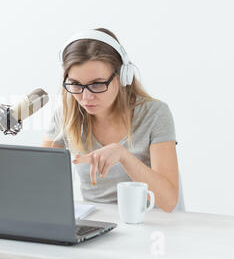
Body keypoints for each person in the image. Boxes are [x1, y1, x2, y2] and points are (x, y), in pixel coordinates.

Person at [42, 28, 180, 212]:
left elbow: (168, 201)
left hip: (148, 223)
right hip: (97, 224)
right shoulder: (65, 117)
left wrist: (123, 155)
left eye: (97, 84)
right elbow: (40, 181)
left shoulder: (154, 114)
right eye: (75, 84)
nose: (85, 97)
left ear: (123, 76)